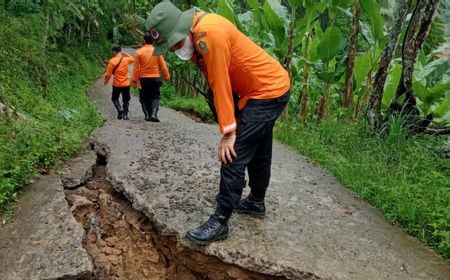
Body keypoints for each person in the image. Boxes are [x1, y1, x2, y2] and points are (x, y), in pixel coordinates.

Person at [146, 1, 290, 244]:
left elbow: (220, 81)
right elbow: (215, 84)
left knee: (233, 153)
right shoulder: (196, 34)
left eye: (174, 44)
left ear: (182, 30)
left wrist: (229, 131)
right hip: (260, 91)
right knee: (259, 147)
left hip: (266, 92)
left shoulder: (207, 34)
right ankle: (256, 201)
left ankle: (221, 221)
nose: (173, 51)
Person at [132, 33, 171, 122]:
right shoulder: (157, 52)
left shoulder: (139, 52)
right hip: (155, 78)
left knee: (144, 97)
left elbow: (136, 68)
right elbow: (163, 66)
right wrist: (167, 77)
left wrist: (134, 81)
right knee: (155, 96)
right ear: (153, 40)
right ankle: (153, 114)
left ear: (144, 40)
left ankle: (147, 115)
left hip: (143, 78)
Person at [104, 45, 135, 120]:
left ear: (114, 51)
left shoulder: (112, 61)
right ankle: (125, 115)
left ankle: (119, 109)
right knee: (126, 99)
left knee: (114, 98)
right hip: (126, 84)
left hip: (116, 84)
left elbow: (108, 74)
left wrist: (106, 81)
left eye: (113, 51)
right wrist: (126, 54)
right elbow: (133, 59)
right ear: (120, 51)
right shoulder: (126, 59)